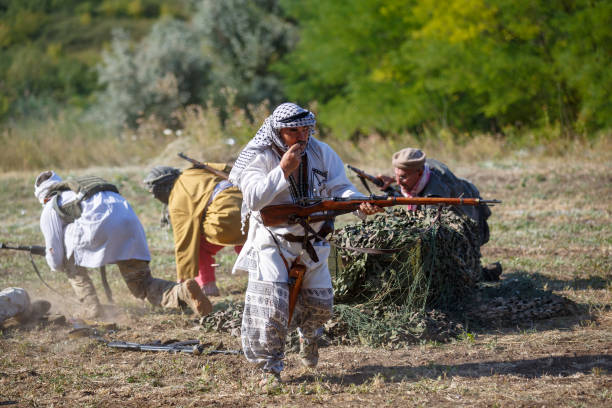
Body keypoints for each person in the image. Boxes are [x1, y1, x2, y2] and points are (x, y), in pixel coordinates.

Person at [229, 102, 381, 386]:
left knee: (321, 307)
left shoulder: (322, 151)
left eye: (306, 129)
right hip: (273, 240)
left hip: (314, 238)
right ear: (277, 131)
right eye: (293, 131)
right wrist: (283, 170)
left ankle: (308, 336)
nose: (302, 137)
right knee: (273, 307)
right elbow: (253, 199)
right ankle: (270, 370)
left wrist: (359, 203)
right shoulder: (259, 155)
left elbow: (340, 187)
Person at [34, 171, 212, 319]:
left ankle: (91, 307)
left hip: (98, 228)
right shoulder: (81, 189)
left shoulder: (51, 205)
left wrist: (57, 263)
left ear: (42, 198)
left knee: (69, 264)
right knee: (141, 283)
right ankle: (181, 292)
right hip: (129, 223)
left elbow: (54, 251)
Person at [378, 148, 501, 280]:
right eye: (395, 175)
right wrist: (391, 185)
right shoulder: (421, 169)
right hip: (451, 218)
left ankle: (481, 274)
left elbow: (428, 229)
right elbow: (409, 188)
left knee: (455, 267)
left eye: (402, 177)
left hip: (465, 223)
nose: (398, 181)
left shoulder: (436, 193)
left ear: (419, 173)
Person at [144, 164, 245, 296]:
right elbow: (226, 167)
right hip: (249, 205)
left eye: (154, 192)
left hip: (226, 219)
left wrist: (183, 279)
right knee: (247, 239)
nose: (154, 197)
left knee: (197, 245)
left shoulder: (177, 200)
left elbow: (185, 242)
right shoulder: (195, 170)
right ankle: (261, 275)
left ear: (162, 187)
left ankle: (207, 287)